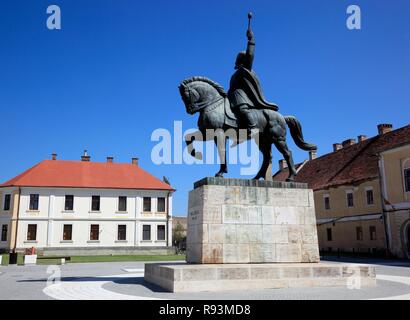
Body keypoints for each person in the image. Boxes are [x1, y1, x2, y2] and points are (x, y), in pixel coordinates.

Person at [228, 18, 279, 136]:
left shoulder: (245, 68)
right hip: (232, 97)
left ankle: (252, 127)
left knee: (242, 109)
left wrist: (251, 39)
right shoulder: (235, 74)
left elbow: (250, 54)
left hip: (242, 98)